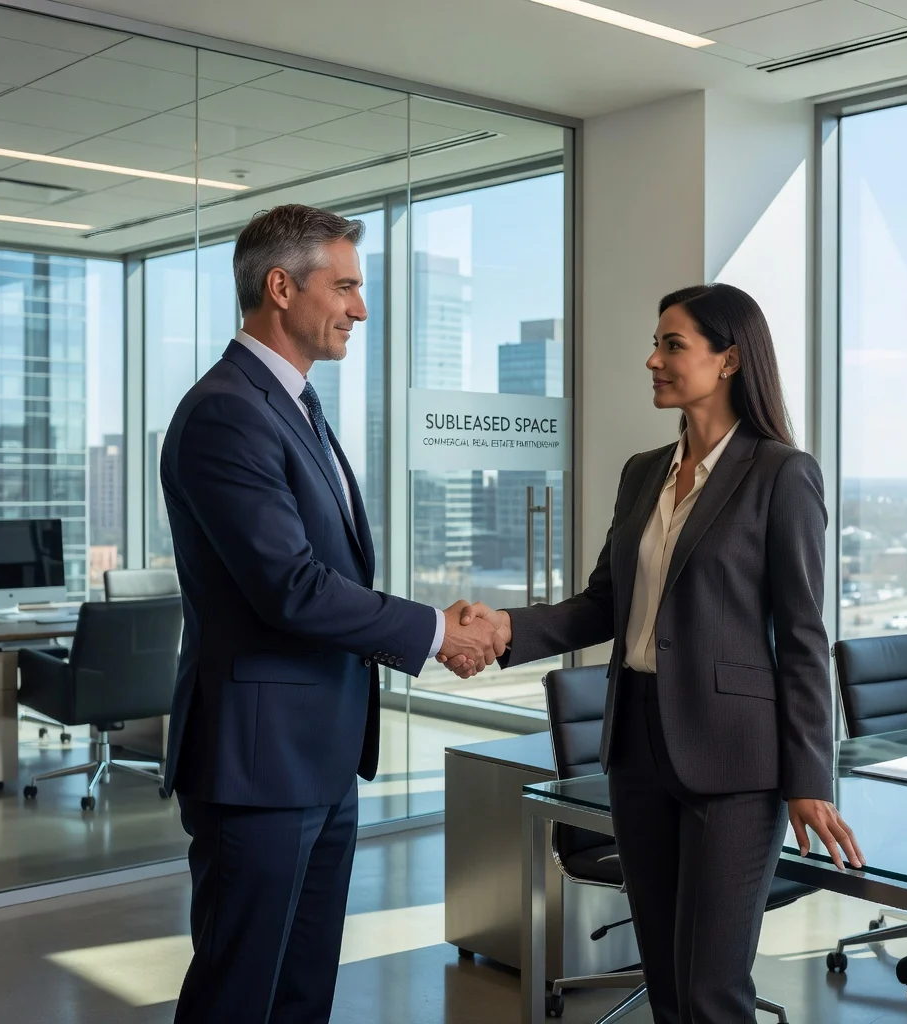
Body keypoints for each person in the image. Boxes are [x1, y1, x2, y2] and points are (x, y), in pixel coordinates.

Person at [441, 283, 864, 1024]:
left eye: (673, 345)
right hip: (636, 744)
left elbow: (802, 637)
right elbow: (604, 604)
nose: (653, 359)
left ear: (729, 359)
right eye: (657, 342)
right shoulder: (644, 472)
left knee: (711, 990)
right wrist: (504, 628)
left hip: (735, 763)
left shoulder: (781, 474)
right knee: (667, 981)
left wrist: (809, 775)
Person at [160, 204, 504, 1023]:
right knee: (238, 996)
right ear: (280, 287)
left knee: (303, 991)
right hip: (258, 763)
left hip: (318, 754)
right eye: (345, 286)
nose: (359, 308)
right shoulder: (226, 412)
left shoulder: (297, 408)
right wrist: (434, 632)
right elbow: (292, 585)